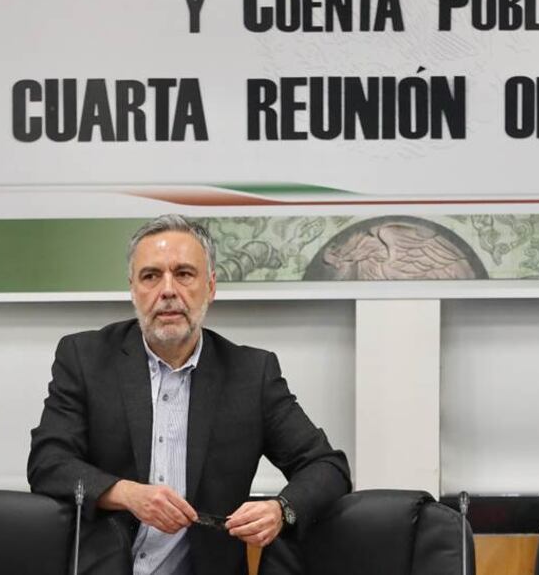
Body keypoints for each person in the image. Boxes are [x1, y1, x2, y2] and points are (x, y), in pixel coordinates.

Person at [26, 214, 351, 574]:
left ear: (210, 286)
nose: (167, 291)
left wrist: (280, 509)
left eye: (183, 274)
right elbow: (48, 462)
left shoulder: (250, 374)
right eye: (151, 276)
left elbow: (328, 467)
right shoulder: (85, 358)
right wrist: (127, 494)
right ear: (133, 289)